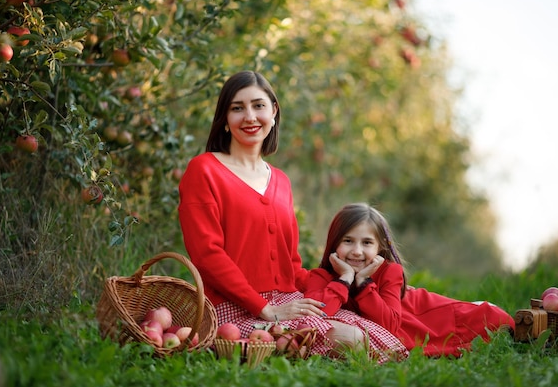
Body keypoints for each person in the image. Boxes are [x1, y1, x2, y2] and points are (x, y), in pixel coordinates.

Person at [178, 71, 409, 362]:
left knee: (376, 333)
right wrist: (265, 309)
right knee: (353, 340)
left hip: (286, 300)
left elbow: (291, 263)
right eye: (237, 108)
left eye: (258, 105)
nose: (250, 116)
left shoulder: (281, 181)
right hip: (235, 307)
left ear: (274, 112)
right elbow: (206, 254)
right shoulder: (204, 170)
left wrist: (342, 279)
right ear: (224, 118)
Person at [305, 202, 516, 358]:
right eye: (348, 241)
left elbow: (389, 325)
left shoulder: (389, 272)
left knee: (493, 320)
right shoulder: (320, 277)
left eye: (367, 242)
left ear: (380, 248)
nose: (357, 251)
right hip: (405, 327)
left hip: (426, 317)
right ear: (334, 244)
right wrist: (344, 280)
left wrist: (363, 284)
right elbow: (317, 315)